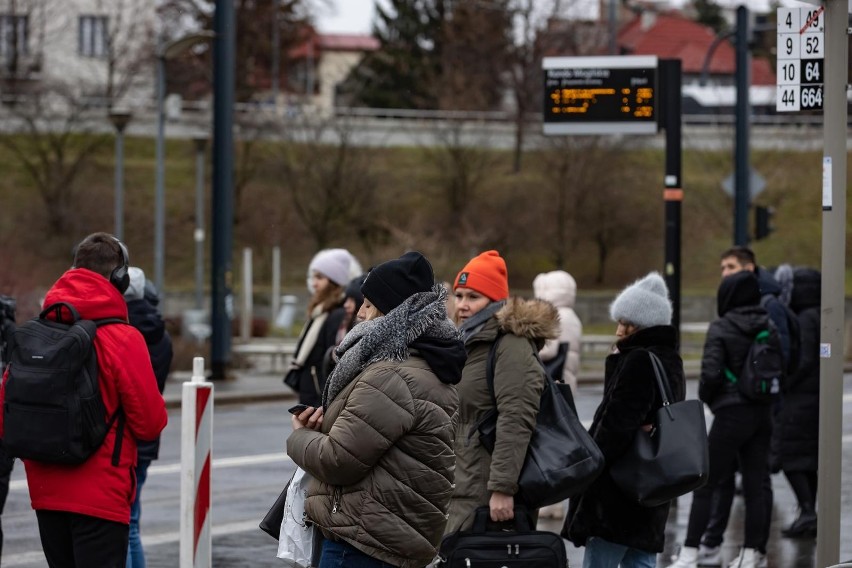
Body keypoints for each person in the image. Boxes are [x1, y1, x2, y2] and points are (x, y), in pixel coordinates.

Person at [286, 251, 464, 568]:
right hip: (392, 537)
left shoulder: (390, 374)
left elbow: (338, 460)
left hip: (363, 542)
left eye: (368, 304)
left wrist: (300, 436)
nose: (359, 313)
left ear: (391, 313)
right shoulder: (427, 367)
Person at [0, 232, 168, 567]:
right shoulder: (123, 339)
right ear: (118, 279)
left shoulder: (35, 334)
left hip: (46, 492)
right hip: (102, 494)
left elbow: (7, 413)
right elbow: (149, 423)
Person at [563, 271, 685, 568]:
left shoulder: (638, 360)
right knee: (640, 560)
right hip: (650, 485)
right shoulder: (669, 358)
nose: (619, 331)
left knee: (601, 560)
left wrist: (588, 462)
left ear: (642, 326)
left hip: (618, 490)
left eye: (626, 324)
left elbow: (617, 424)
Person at [667, 271, 780, 568]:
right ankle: (754, 554)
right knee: (758, 485)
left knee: (706, 481)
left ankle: (691, 551)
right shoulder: (768, 324)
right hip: (762, 412)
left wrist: (711, 398)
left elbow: (711, 374)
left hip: (730, 413)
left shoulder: (722, 326)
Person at [697, 247, 799, 565]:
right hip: (754, 405)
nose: (724, 272)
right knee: (741, 479)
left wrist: (731, 396)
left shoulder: (766, 305)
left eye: (730, 266)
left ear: (748, 268)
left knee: (733, 479)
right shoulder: (760, 303)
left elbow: (782, 358)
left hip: (750, 407)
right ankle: (720, 545)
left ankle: (711, 547)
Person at [446, 250, 559, 532]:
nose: (462, 305)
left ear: (495, 301)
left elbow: (517, 418)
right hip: (461, 480)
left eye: (473, 297)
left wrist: (503, 488)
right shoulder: (468, 342)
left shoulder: (511, 345)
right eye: (459, 295)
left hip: (486, 488)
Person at [123, 267, 173, 568]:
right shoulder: (160, 334)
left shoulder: (118, 331)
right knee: (132, 522)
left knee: (122, 525)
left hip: (119, 439)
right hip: (146, 437)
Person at [774, 267, 820, 538]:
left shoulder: (804, 319)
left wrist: (784, 377)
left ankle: (807, 511)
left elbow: (802, 360)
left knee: (792, 458)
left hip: (799, 399)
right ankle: (807, 511)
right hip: (810, 398)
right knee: (805, 459)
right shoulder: (816, 316)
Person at [286, 249, 360, 407]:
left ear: (334, 281)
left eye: (319, 278)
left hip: (318, 394)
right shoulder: (320, 311)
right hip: (311, 389)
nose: (314, 283)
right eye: (313, 277)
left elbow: (331, 358)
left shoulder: (336, 314)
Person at [532, 270, 583, 391]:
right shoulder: (572, 316)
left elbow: (549, 351)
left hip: (555, 378)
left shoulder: (555, 316)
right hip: (568, 376)